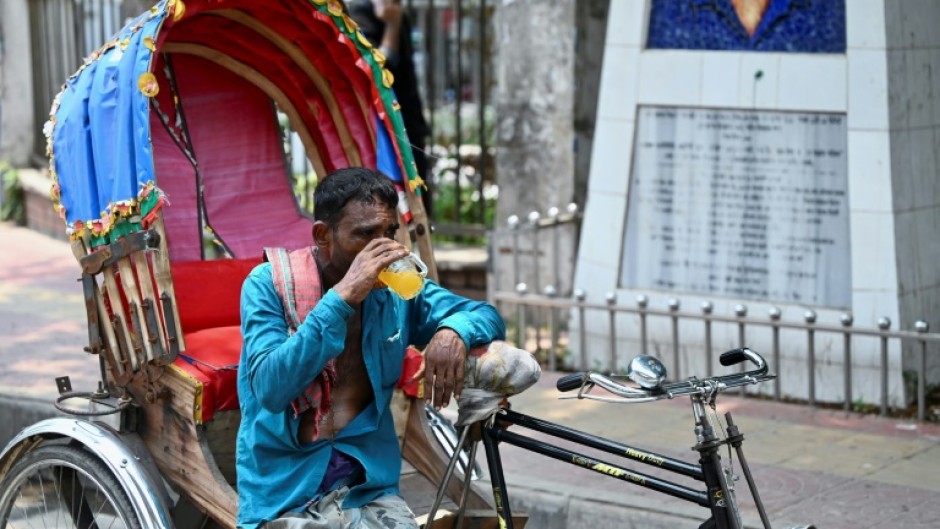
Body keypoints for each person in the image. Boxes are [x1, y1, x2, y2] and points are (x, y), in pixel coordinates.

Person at [235, 167, 507, 528]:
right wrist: (342, 298)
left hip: (368, 487)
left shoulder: (397, 290)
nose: (385, 250)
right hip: (285, 491)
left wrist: (452, 331)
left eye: (389, 233)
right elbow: (270, 389)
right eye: (366, 234)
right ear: (323, 235)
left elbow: (485, 315)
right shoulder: (267, 283)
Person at [348, 0, 433, 218]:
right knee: (387, 200)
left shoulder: (397, 12)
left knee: (418, 199)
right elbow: (378, 71)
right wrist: (392, 25)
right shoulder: (361, 12)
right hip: (382, 127)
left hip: (408, 121)